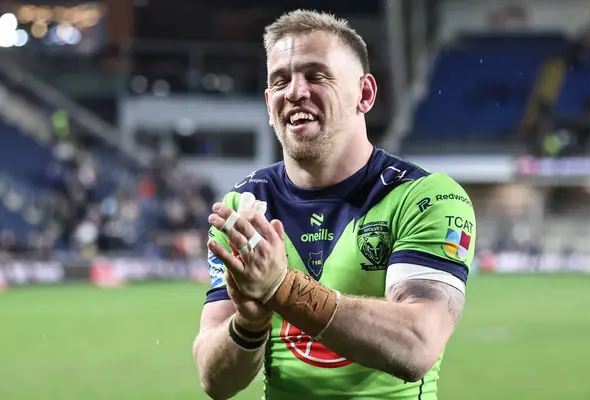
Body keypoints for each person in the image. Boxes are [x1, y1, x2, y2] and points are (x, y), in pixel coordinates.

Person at [193, 9, 476, 400]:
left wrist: (279, 287)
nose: (294, 91)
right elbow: (215, 381)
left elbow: (417, 345)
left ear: (365, 94)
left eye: (316, 75)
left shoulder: (424, 197)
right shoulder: (246, 205)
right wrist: (250, 323)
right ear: (268, 101)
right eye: (280, 80)